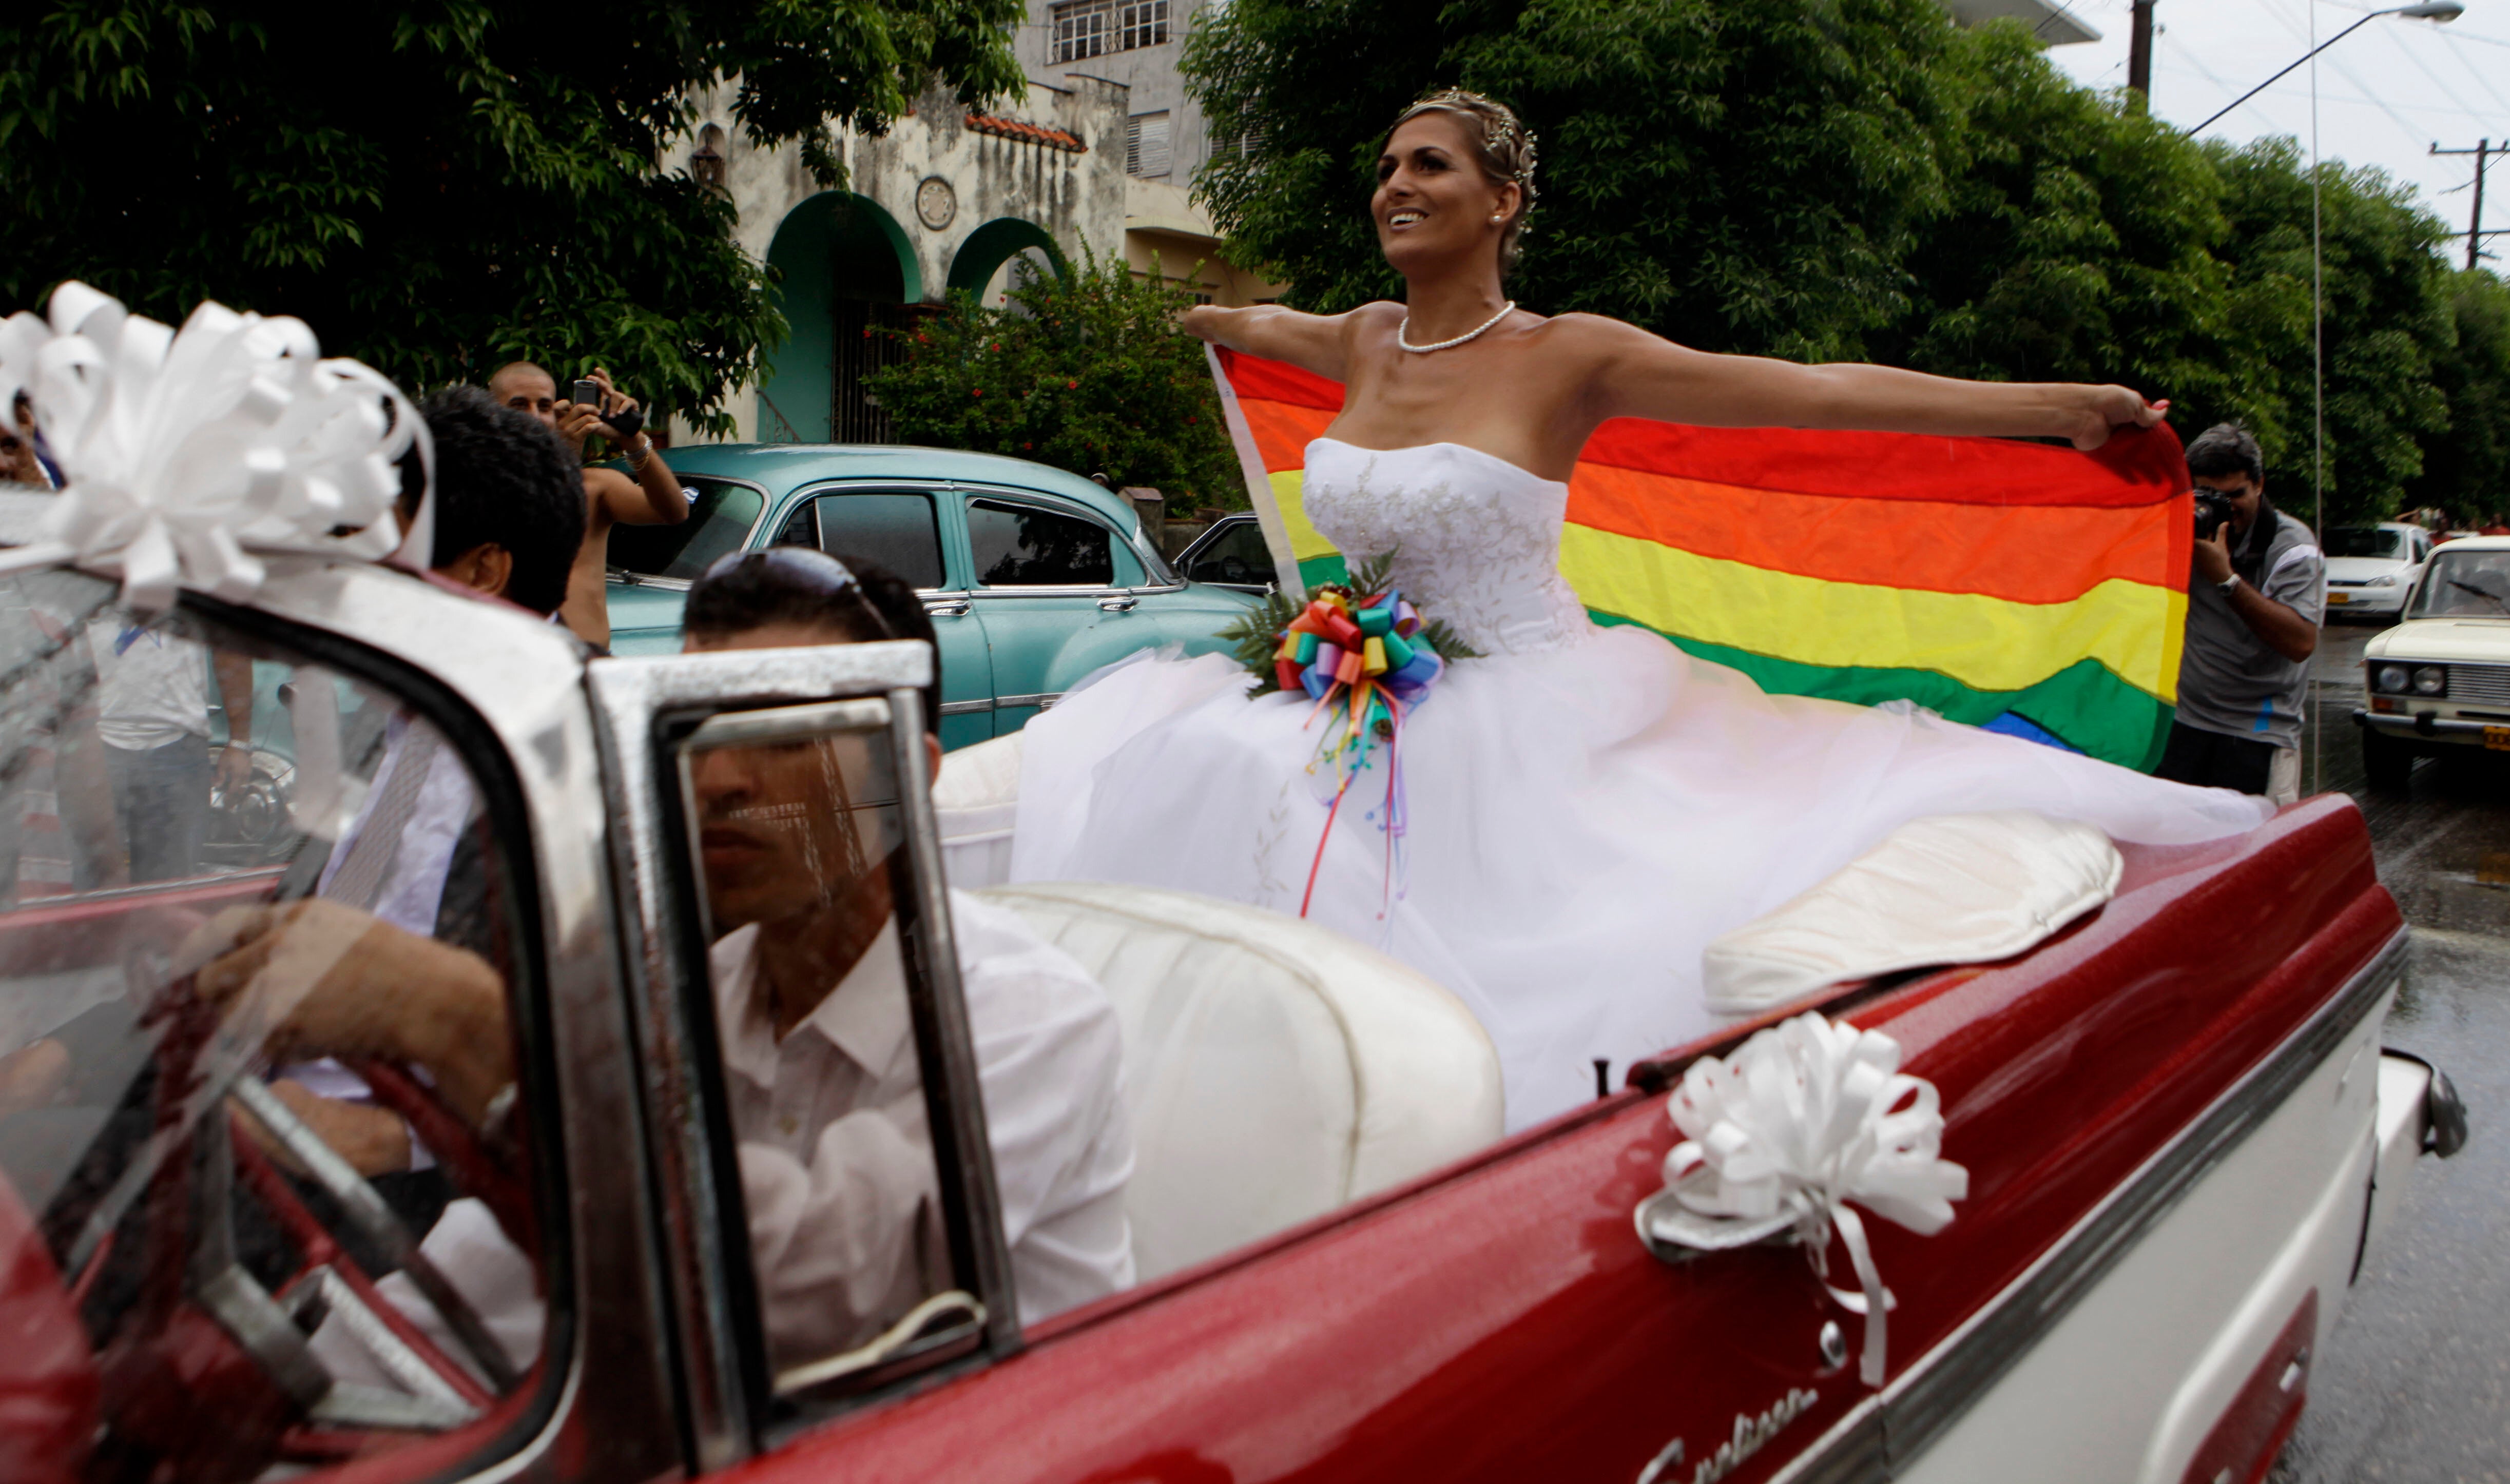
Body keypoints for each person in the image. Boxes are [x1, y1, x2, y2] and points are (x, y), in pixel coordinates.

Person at [1007, 88, 2275, 1133]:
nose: (1394, 183)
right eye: (1386, 164)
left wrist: (2047, 410)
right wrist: (1198, 316)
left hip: (1517, 703)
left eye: (1430, 165)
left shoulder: (1569, 355)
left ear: (1500, 201)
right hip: (1353, 680)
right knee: (1202, 763)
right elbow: (1255, 318)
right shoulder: (1363, 339)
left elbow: (1812, 393)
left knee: (1518, 943)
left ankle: (1399, 1127)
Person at [198, 546, 1133, 1369]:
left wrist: (470, 1026)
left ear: (906, 776)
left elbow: (826, 1302)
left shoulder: (1025, 1019)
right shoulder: (685, 996)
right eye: (692, 729)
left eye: (781, 732)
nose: (719, 777)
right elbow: (481, 1276)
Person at [2151, 424, 2322, 806]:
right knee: (2173, 845)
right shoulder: (2181, 527)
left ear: (2260, 485)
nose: (2223, 509)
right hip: (2185, 721)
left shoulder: (2292, 548)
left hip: (2259, 730)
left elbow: (2300, 642)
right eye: (2207, 496)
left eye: (2235, 495)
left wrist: (2224, 578)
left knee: (2254, 852)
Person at [487, 360, 689, 650]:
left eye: (544, 407)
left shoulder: (596, 486)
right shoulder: (477, 488)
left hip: (590, 665)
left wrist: (632, 440)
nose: (534, 417)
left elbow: (674, 512)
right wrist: (561, 463)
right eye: (519, 405)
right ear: (491, 413)